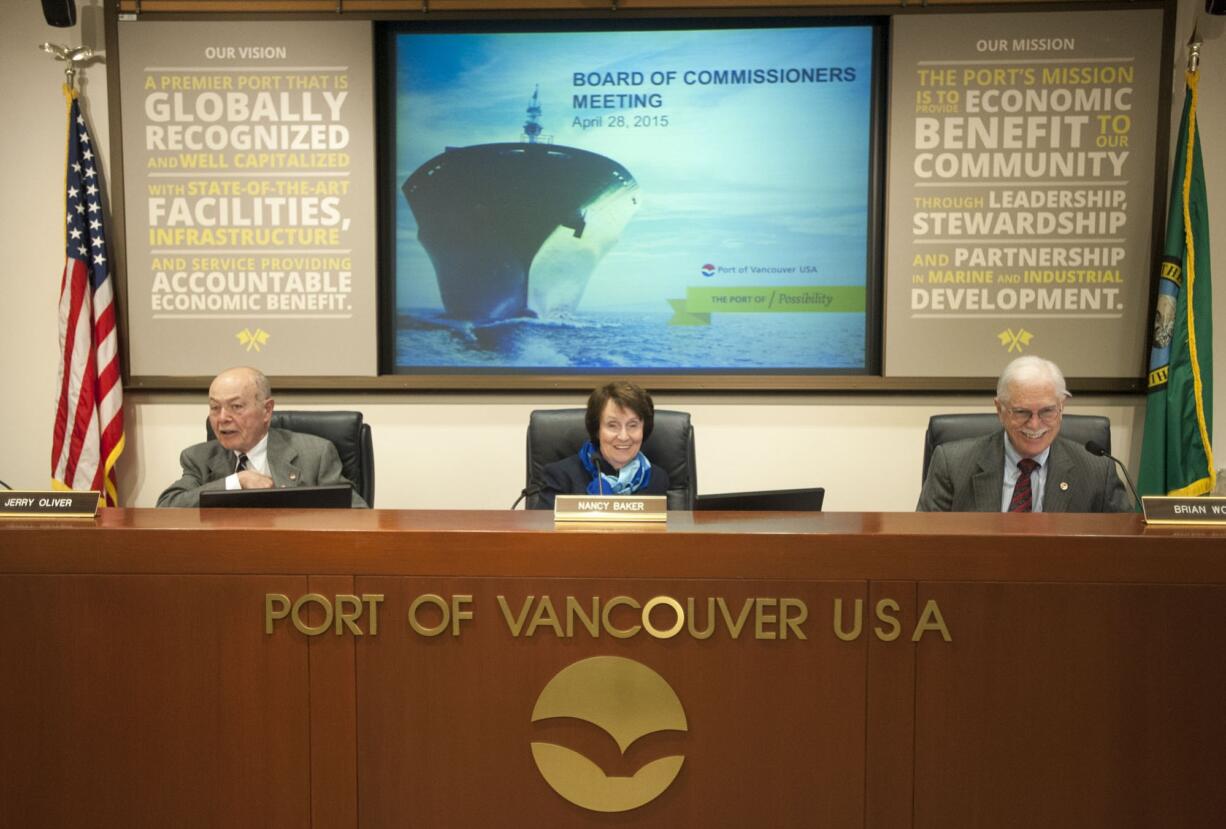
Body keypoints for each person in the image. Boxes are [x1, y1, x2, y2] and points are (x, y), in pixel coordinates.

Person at [917, 355, 1131, 513]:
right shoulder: (952, 464)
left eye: (1047, 411)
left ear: (1061, 407)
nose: (1035, 424)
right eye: (1021, 412)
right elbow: (924, 544)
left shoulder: (1097, 470)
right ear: (999, 409)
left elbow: (1125, 548)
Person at [157, 366, 367, 507]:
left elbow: (355, 514)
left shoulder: (315, 454)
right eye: (214, 407)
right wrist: (236, 482)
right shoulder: (199, 458)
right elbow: (167, 506)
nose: (222, 418)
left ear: (267, 410)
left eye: (236, 407)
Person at [532, 381, 671, 509]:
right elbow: (543, 534)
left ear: (644, 429)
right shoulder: (561, 477)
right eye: (612, 425)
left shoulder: (656, 478)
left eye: (632, 425)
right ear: (597, 430)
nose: (623, 436)